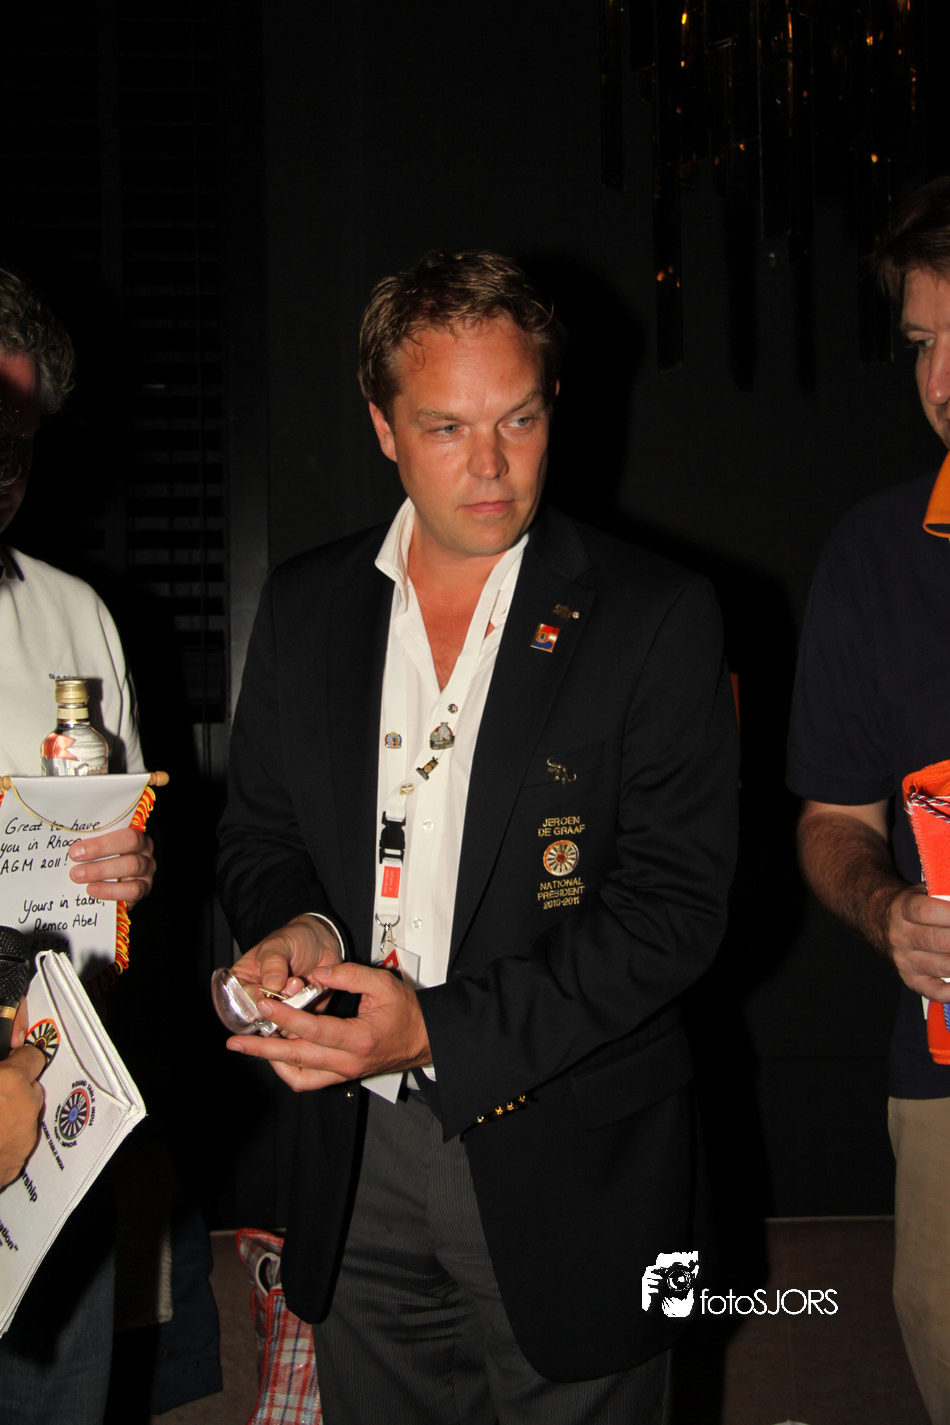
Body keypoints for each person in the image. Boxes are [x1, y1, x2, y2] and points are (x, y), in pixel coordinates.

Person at [217, 250, 738, 1423]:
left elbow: (672, 912)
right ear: (382, 427)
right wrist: (301, 926)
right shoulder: (304, 605)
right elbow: (258, 833)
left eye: (519, 418)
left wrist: (436, 1031)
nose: (491, 465)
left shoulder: (655, 612)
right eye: (446, 427)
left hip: (572, 1144)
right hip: (355, 1146)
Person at [787, 177, 950, 1425]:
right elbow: (831, 824)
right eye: (919, 344)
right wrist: (886, 908)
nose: (938, 379)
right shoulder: (873, 553)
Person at [0, 266, 155, 1424]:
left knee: (59, 1399)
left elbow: (116, 842)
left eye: (13, 439)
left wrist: (130, 867)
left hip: (53, 1078)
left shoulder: (73, 615)